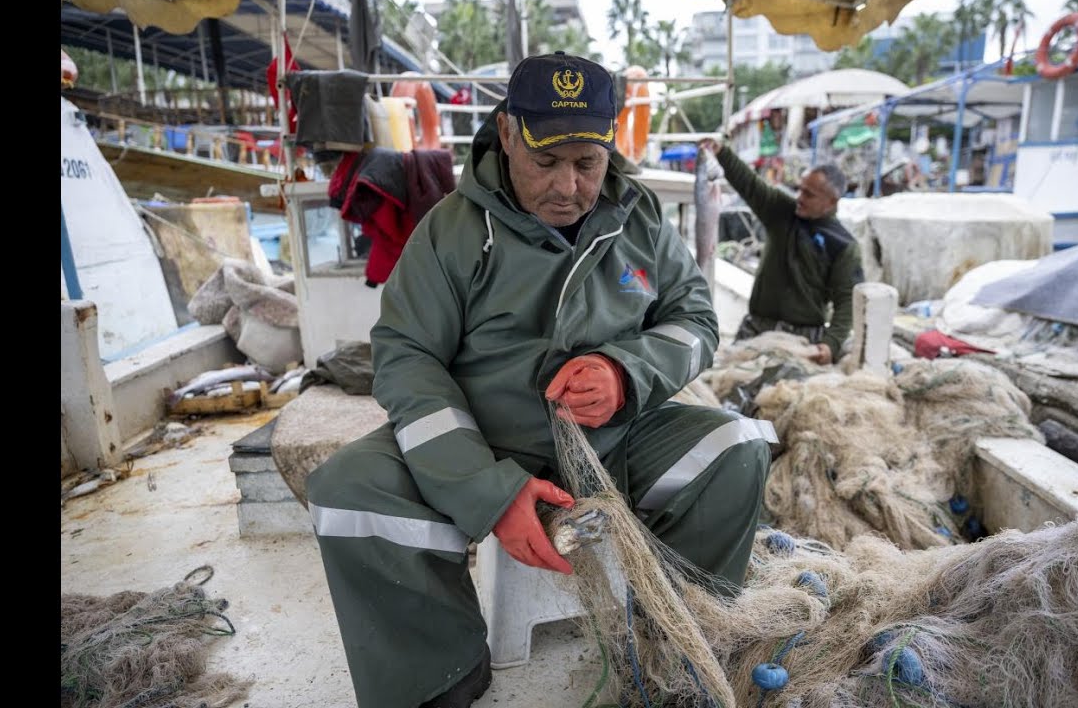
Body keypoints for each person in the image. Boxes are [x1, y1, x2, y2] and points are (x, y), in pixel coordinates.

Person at [307, 52, 776, 708]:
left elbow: (694, 320)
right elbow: (407, 355)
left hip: (613, 441)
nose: (567, 187)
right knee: (349, 491)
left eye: (587, 164)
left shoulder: (639, 219)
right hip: (482, 439)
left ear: (610, 148)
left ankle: (678, 640)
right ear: (506, 134)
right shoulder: (451, 231)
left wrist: (625, 371)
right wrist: (486, 490)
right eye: (545, 162)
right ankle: (440, 677)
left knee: (739, 447)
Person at [699, 139, 865, 365]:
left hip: (802, 337)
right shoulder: (782, 211)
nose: (799, 198)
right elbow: (750, 185)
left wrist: (830, 344)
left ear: (831, 202)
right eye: (800, 189)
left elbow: (846, 301)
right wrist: (722, 152)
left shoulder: (843, 245)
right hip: (757, 326)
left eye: (809, 194)